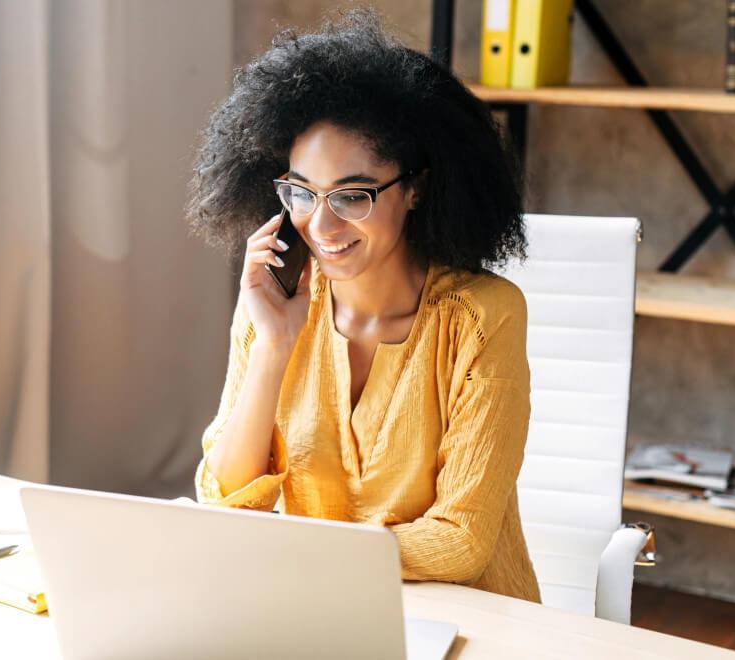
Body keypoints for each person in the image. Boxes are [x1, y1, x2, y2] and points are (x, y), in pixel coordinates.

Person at [185, 9, 540, 602]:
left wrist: (298, 556)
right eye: (301, 191)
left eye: (351, 195)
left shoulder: (483, 317)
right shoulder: (269, 308)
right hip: (324, 609)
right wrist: (273, 347)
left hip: (470, 622)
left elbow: (461, 541)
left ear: (417, 188)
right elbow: (225, 500)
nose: (319, 224)